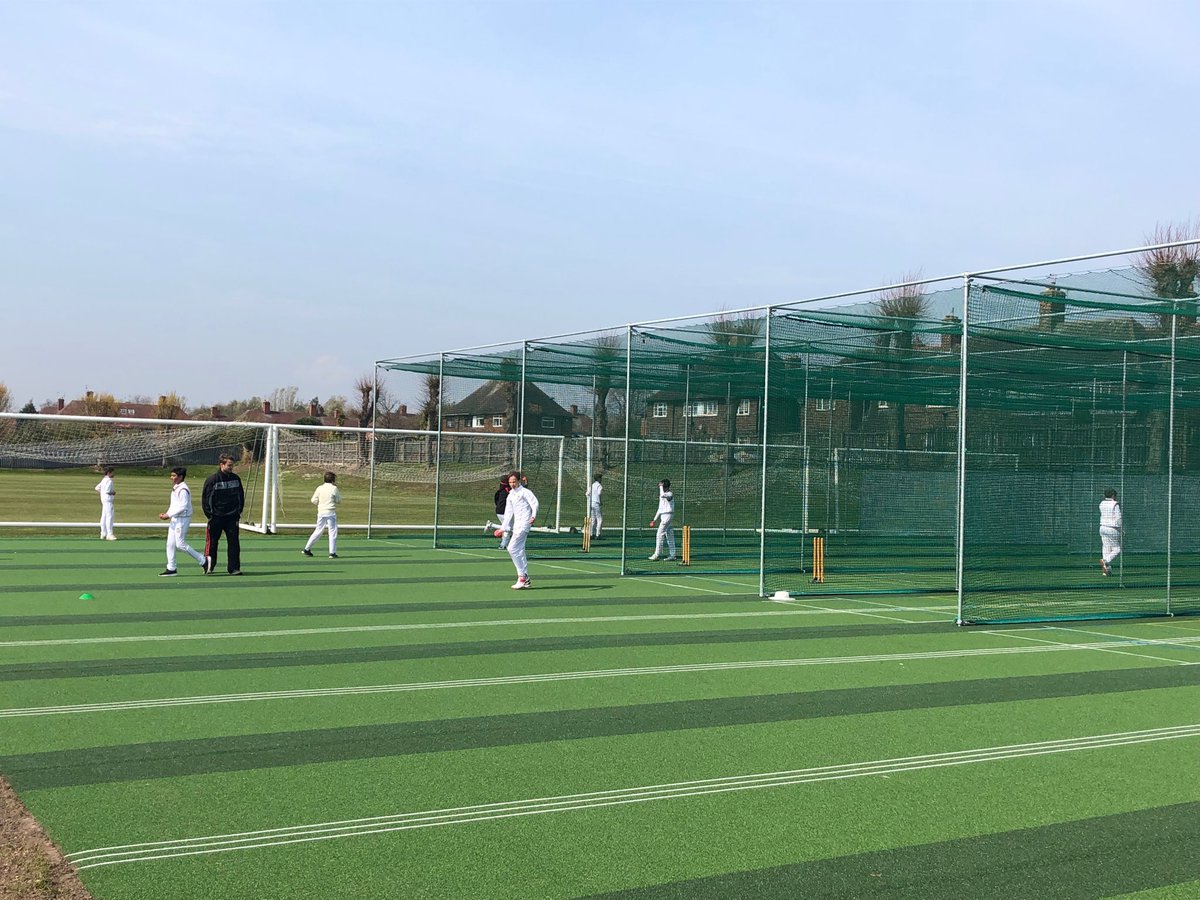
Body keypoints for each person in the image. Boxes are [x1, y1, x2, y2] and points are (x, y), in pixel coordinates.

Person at [202, 453, 245, 575]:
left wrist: (238, 512)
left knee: (234, 543)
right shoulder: (212, 480)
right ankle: (209, 566)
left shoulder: (236, 479)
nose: (231, 467)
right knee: (212, 543)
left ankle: (234, 568)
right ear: (222, 465)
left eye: (232, 465)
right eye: (229, 465)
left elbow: (240, 497)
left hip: (232, 517)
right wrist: (211, 515)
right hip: (216, 517)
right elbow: (206, 500)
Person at [157, 467, 206, 576]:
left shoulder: (183, 489)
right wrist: (167, 514)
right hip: (175, 519)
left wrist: (168, 515)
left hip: (182, 519)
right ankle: (171, 568)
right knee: (170, 544)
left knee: (180, 544)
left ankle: (203, 560)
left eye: (174, 476)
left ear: (181, 477)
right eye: (171, 475)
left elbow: (183, 506)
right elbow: (174, 505)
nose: (171, 478)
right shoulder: (176, 487)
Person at [495, 470, 538, 589]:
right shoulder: (511, 495)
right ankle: (526, 578)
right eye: (510, 482)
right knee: (519, 550)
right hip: (517, 525)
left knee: (511, 548)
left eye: (514, 481)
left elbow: (534, 504)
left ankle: (522, 577)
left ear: (519, 481)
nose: (512, 484)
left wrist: (533, 515)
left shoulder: (525, 492)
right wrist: (502, 529)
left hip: (525, 524)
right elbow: (508, 514)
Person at [302, 471, 341, 558]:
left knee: (318, 531)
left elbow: (313, 500)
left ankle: (307, 549)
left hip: (321, 512)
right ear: (333, 480)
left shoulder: (320, 488)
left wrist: (320, 503)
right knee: (332, 532)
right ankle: (332, 552)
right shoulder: (334, 488)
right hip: (330, 512)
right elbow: (339, 500)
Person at [649, 478, 675, 561]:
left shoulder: (670, 494)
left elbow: (663, 495)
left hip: (668, 516)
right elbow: (660, 508)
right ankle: (672, 555)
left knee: (659, 534)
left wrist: (661, 486)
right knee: (669, 535)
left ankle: (657, 554)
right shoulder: (662, 495)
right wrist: (654, 519)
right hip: (664, 516)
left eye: (662, 486)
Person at [1099, 487, 1122, 577]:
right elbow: (1118, 517)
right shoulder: (1115, 504)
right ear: (1113, 495)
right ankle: (1105, 561)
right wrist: (1121, 529)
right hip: (1112, 528)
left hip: (1102, 528)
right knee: (1117, 549)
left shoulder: (1102, 503)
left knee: (1106, 549)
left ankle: (1106, 571)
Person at [95, 466, 116, 540]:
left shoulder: (103, 480)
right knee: (110, 517)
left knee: (103, 517)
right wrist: (113, 493)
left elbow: (97, 488)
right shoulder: (109, 480)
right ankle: (109, 534)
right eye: (112, 472)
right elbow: (108, 491)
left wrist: (102, 493)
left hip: (103, 500)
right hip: (108, 500)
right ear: (109, 472)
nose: (114, 473)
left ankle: (103, 533)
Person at [492, 476, 511, 550]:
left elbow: (496, 500)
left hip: (499, 511)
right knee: (508, 528)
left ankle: (505, 544)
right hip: (504, 512)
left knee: (508, 528)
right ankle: (503, 545)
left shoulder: (500, 491)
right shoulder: (508, 490)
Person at [588, 473, 603, 539]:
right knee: (599, 519)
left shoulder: (592, 485)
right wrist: (600, 501)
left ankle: (591, 534)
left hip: (591, 503)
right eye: (600, 478)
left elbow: (587, 493)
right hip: (596, 503)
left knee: (593, 519)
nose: (601, 479)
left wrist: (590, 500)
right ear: (598, 479)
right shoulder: (599, 486)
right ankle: (598, 534)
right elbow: (599, 494)